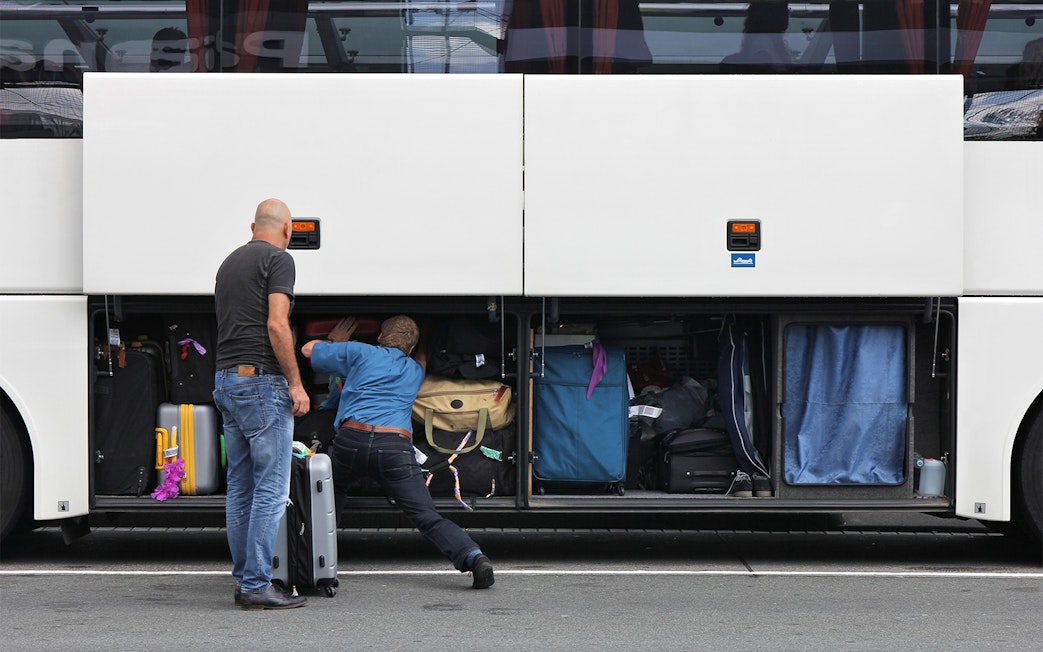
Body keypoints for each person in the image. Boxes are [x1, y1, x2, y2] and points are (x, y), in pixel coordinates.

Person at [301, 316, 495, 589]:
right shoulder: (414, 370)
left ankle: (311, 562)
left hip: (351, 440)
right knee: (426, 516)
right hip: (394, 447)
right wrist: (423, 340)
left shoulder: (360, 352)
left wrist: (335, 342)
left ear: (379, 338)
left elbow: (308, 350)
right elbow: (424, 361)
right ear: (412, 349)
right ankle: (473, 557)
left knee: (330, 504)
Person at [213, 198, 310, 610]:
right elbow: (276, 323)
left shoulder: (229, 263)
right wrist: (295, 383)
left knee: (241, 486)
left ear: (253, 225)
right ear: (287, 230)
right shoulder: (278, 260)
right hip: (261, 383)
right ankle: (256, 584)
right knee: (270, 487)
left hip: (225, 381)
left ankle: (244, 580)